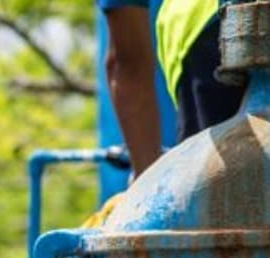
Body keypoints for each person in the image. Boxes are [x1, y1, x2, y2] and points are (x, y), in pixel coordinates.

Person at [102, 0, 245, 177]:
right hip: (218, 29)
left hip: (207, 30)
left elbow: (128, 63)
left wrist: (147, 179)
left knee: (224, 188)